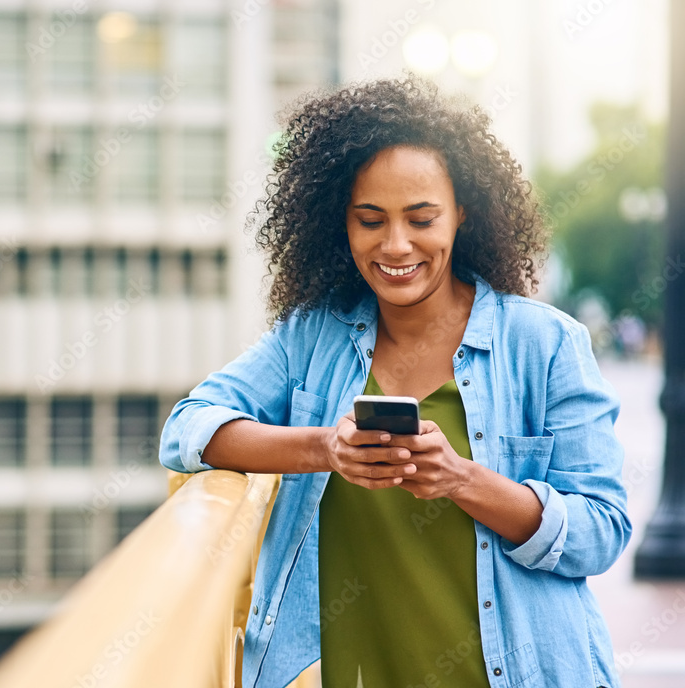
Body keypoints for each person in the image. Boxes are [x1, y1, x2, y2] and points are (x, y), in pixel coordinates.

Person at [159, 76, 630, 688]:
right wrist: (323, 448)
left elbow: (601, 530)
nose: (396, 244)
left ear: (463, 214)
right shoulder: (313, 337)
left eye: (421, 217)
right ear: (342, 223)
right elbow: (187, 429)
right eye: (370, 220)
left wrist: (461, 478)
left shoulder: (546, 345)